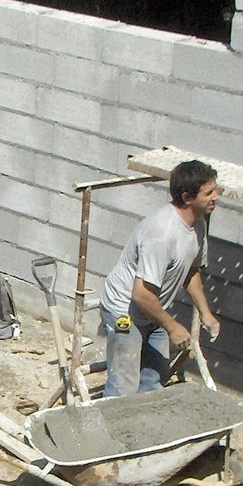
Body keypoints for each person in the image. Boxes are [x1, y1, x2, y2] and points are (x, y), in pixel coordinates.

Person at [99, 160, 222, 397]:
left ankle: (144, 430)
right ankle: (112, 430)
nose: (216, 196)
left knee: (154, 380)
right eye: (209, 193)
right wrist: (172, 326)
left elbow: (191, 270)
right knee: (123, 385)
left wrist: (206, 313)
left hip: (153, 311)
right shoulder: (161, 234)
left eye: (215, 190)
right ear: (187, 197)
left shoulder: (197, 224)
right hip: (124, 312)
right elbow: (141, 294)